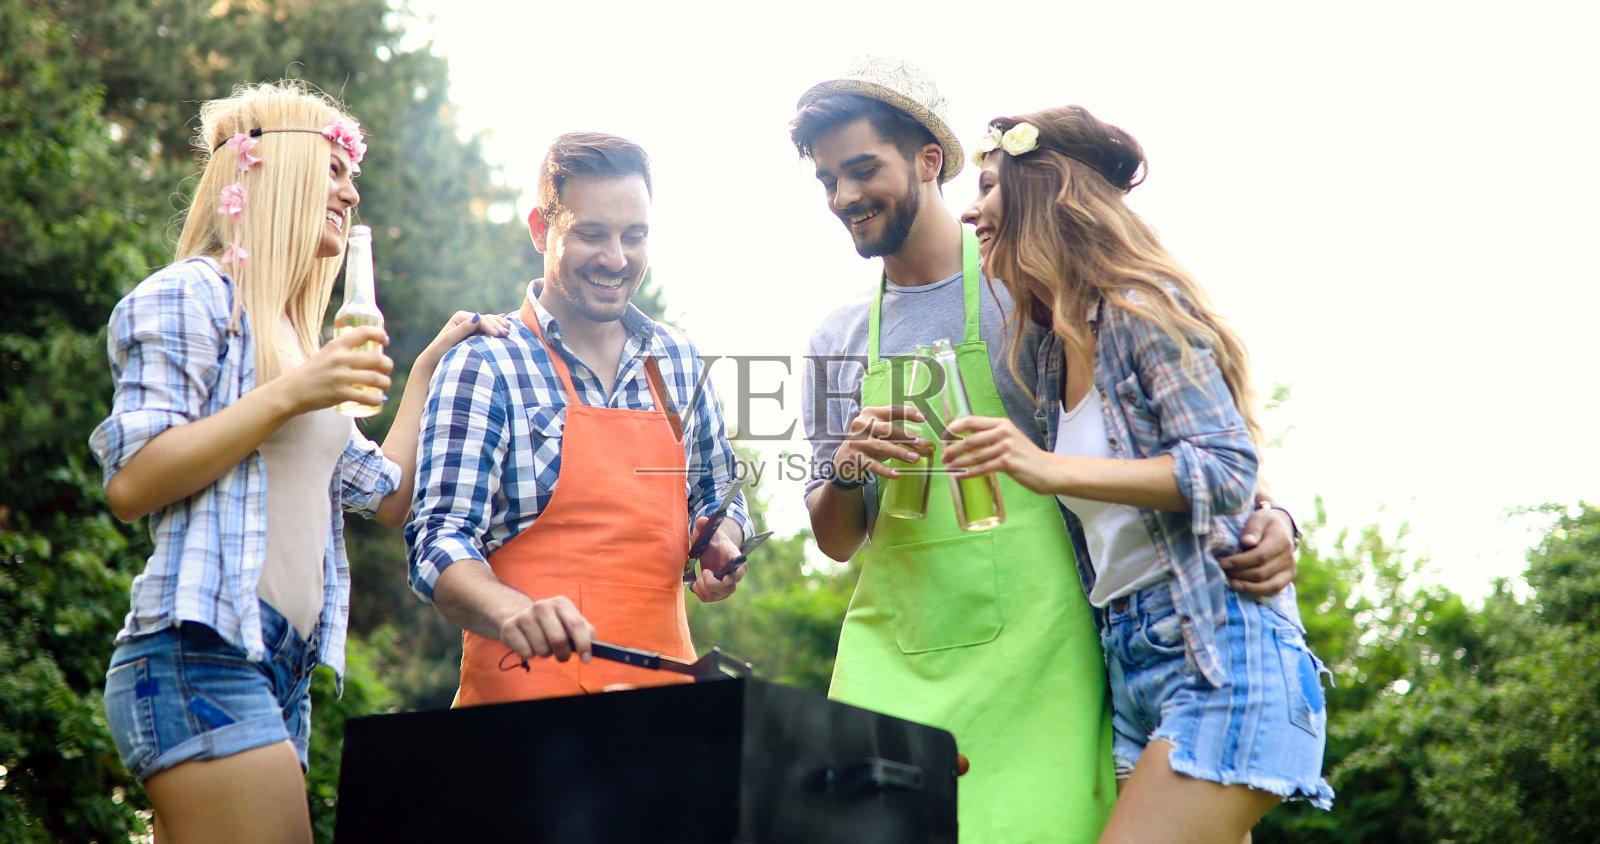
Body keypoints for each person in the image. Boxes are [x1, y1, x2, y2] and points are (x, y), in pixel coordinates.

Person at [790, 57, 1303, 844]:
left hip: (1046, 659)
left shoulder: (1023, 291)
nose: (845, 196)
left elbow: (1168, 424)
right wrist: (849, 464)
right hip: (893, 655)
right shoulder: (836, 340)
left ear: (930, 160)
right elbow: (835, 540)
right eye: (828, 180)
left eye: (862, 169)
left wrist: (1270, 515)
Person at [89, 80, 507, 843]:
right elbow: (134, 480)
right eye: (335, 171)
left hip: (278, 667)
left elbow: (387, 496)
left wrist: (427, 371)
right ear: (271, 173)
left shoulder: (293, 339)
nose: (351, 193)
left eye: (353, 177)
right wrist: (293, 394)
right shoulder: (193, 296)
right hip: (200, 649)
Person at [949, 105, 1335, 843]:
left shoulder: (1141, 309)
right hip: (1131, 670)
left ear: (1045, 194)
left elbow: (1225, 468)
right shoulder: (1050, 351)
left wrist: (1044, 466)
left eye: (991, 186)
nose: (972, 210)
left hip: (1218, 658)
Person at [406, 131, 751, 706]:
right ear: (542, 229)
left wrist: (724, 539)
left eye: (634, 236)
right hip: (523, 718)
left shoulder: (679, 362)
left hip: (666, 715)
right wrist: (513, 609)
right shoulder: (486, 363)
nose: (616, 259)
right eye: (592, 235)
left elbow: (720, 493)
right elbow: (437, 540)